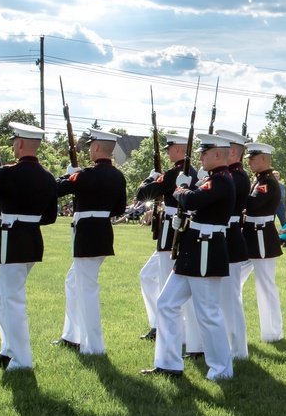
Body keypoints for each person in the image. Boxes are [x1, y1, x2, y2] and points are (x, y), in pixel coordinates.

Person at [0, 122, 58, 370]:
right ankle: (9, 348)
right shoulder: (48, 177)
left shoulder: (7, 173)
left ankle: (22, 360)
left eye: (15, 141)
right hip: (33, 241)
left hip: (12, 241)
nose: (13, 146)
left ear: (21, 143)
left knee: (12, 300)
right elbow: (49, 217)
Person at [143, 133, 235, 380]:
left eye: (205, 153)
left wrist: (180, 188)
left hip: (206, 249)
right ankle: (168, 363)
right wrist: (185, 188)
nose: (200, 157)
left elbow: (193, 200)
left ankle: (222, 369)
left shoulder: (222, 181)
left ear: (217, 155)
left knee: (208, 313)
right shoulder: (210, 179)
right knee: (166, 303)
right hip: (192, 251)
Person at [53, 128, 127, 355]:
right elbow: (120, 209)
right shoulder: (118, 175)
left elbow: (56, 189)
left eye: (90, 147)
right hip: (103, 231)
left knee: (87, 289)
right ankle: (71, 335)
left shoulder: (85, 174)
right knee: (73, 281)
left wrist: (69, 175)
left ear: (96, 148)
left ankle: (94, 346)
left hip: (86, 233)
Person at [134, 133, 197, 341]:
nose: (167, 151)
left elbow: (144, 193)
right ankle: (158, 323)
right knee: (146, 275)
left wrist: (151, 177)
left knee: (165, 281)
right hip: (174, 227)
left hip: (172, 229)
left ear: (178, 149)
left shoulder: (174, 173)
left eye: (170, 147)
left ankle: (167, 329)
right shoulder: (189, 172)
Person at [240, 142, 285, 343]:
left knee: (265, 285)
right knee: (233, 280)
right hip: (250, 234)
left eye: (253, 157)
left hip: (262, 236)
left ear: (264, 159)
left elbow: (253, 204)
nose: (249, 161)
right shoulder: (258, 181)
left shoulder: (266, 182)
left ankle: (273, 332)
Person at [218, 130, 252, 359]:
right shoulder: (228, 175)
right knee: (222, 297)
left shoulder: (237, 177)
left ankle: (238, 350)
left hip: (230, 238)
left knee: (230, 299)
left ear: (232, 151)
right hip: (224, 237)